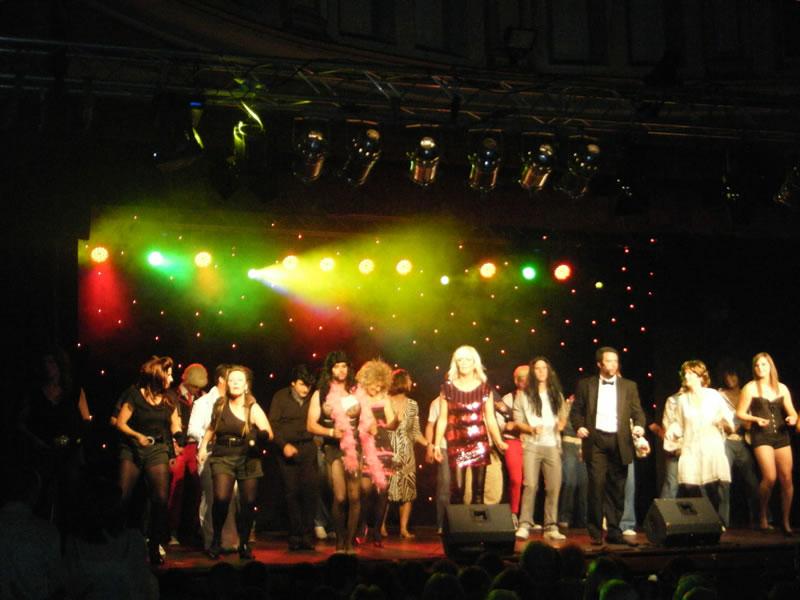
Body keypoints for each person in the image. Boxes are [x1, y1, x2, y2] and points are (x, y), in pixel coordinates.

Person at [571, 346, 645, 546]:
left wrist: (639, 425)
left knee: (617, 488)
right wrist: (579, 427)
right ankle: (595, 532)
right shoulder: (586, 385)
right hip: (596, 440)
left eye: (615, 361)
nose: (613, 364)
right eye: (608, 361)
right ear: (599, 364)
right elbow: (576, 411)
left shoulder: (629, 386)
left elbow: (637, 411)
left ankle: (614, 530)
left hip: (620, 441)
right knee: (596, 486)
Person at [199, 365, 273, 559]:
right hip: (223, 455)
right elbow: (212, 427)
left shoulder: (252, 407)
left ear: (246, 385)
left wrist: (261, 436)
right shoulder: (220, 404)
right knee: (221, 499)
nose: (235, 384)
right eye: (231, 380)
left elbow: (269, 432)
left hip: (247, 457)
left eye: (239, 380)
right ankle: (216, 541)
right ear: (227, 384)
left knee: (248, 502)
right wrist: (203, 446)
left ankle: (244, 543)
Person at [115, 355, 183, 565]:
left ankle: (154, 546)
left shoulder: (169, 397)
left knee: (160, 499)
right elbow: (120, 423)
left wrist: (179, 436)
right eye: (168, 374)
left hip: (157, 449)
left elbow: (175, 424)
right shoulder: (135, 395)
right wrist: (137, 436)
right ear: (157, 376)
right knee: (122, 496)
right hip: (132, 448)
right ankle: (118, 542)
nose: (171, 379)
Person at [433, 345, 508, 505]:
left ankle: (477, 521)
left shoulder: (484, 389)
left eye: (468, 359)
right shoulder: (447, 389)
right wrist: (437, 444)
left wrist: (498, 441)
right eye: (460, 360)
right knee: (458, 491)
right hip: (456, 442)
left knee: (478, 493)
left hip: (479, 441)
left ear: (475, 363)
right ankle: (457, 521)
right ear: (456, 363)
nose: (464, 363)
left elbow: (490, 418)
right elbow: (442, 418)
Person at [737, 352, 797, 535]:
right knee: (770, 477)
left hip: (781, 435)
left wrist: (793, 419)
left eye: (763, 364)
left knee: (786, 478)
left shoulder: (781, 388)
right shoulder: (750, 388)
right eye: (757, 365)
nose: (760, 368)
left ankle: (786, 522)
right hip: (761, 435)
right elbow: (740, 413)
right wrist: (756, 419)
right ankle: (762, 515)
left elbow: (793, 413)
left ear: (770, 366)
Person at [306, 351, 360, 553]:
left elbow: (367, 417)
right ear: (330, 369)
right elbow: (310, 424)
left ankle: (350, 543)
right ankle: (340, 541)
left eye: (344, 366)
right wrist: (330, 432)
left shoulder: (356, 391)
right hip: (333, 448)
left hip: (355, 447)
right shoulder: (320, 393)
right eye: (337, 366)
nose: (341, 370)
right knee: (340, 497)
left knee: (355, 496)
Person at [664, 360, 733, 518]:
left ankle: (716, 521)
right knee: (690, 485)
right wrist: (671, 432)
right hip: (691, 448)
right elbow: (679, 424)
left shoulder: (713, 395)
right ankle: (702, 520)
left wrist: (723, 423)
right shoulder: (682, 400)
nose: (686, 376)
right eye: (685, 373)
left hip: (711, 447)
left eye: (690, 373)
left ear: (700, 377)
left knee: (712, 486)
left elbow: (729, 422)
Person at [513, 356, 568, 541]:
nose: (541, 371)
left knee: (553, 486)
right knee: (530, 485)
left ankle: (551, 526)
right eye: (537, 368)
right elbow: (517, 420)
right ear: (533, 372)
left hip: (552, 445)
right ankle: (524, 524)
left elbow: (563, 415)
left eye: (544, 368)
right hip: (532, 445)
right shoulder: (524, 395)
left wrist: (561, 424)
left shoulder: (556, 394)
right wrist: (530, 429)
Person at [187, 363, 239, 552]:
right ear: (222, 380)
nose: (235, 383)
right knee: (211, 496)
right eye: (231, 379)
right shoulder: (203, 403)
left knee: (230, 497)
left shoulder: (236, 402)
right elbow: (192, 429)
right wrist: (209, 437)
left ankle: (229, 540)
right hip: (209, 452)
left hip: (231, 454)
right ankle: (210, 540)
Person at [269, 364, 318, 551]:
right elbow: (272, 424)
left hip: (308, 448)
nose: (306, 389)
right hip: (287, 450)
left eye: (309, 385)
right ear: (293, 383)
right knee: (292, 493)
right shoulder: (281, 397)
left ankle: (307, 535)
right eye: (302, 384)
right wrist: (283, 445)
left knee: (309, 492)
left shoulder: (313, 398)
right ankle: (295, 535)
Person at [165, 362, 208, 546]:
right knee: (176, 488)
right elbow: (169, 422)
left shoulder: (202, 397)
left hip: (195, 447)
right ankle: (171, 530)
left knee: (198, 489)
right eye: (194, 386)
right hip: (179, 447)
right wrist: (173, 444)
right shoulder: (172, 395)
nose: (196, 389)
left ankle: (192, 530)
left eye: (199, 387)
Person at [355, 359, 396, 546]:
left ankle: (377, 531)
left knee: (382, 491)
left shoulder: (385, 399)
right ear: (367, 380)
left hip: (383, 446)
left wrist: (395, 421)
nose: (377, 387)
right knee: (364, 489)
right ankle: (361, 526)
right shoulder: (357, 398)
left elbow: (391, 424)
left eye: (380, 384)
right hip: (364, 445)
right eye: (374, 384)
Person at [384, 368, 428, 538]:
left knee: (408, 491)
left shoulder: (412, 405)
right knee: (385, 491)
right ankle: (380, 526)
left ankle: (403, 528)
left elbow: (415, 432)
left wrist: (429, 444)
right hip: (388, 450)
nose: (411, 383)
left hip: (407, 453)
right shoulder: (385, 401)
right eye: (409, 380)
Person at [716, 362, 759, 528]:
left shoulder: (746, 393)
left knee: (752, 480)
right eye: (726, 375)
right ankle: (722, 521)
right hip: (725, 441)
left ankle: (760, 518)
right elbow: (715, 415)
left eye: (732, 374)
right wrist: (724, 425)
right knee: (724, 481)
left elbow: (752, 419)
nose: (729, 378)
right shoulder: (719, 395)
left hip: (743, 441)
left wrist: (746, 423)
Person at [497, 365, 527, 528]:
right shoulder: (509, 398)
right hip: (513, 442)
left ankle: (527, 517)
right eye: (522, 378)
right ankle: (513, 514)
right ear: (516, 380)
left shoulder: (539, 398)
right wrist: (507, 427)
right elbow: (499, 422)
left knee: (530, 481)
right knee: (516, 479)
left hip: (533, 443)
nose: (526, 381)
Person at [558, 394, 588, 530]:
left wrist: (584, 447)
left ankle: (583, 519)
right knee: (570, 481)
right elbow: (562, 425)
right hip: (569, 443)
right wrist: (568, 405)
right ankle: (564, 517)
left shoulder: (589, 404)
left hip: (584, 445)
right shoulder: (568, 404)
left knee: (584, 484)